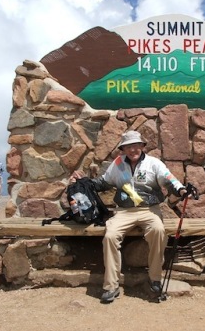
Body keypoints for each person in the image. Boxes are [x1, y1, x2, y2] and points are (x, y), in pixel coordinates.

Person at [72, 130, 188, 303]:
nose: (133, 149)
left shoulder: (153, 163)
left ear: (142, 146)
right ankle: (111, 285)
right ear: (123, 149)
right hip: (124, 211)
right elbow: (103, 182)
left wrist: (181, 189)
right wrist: (83, 182)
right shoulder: (117, 164)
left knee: (158, 231)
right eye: (129, 146)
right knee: (110, 236)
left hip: (149, 209)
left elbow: (169, 179)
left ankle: (155, 279)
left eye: (136, 145)